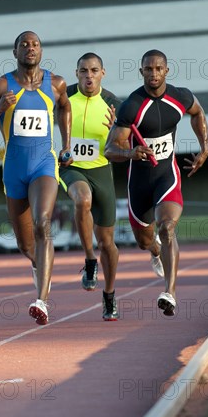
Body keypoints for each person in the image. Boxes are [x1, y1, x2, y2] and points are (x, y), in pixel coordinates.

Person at [0, 31, 72, 325]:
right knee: (26, 244)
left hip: (44, 165)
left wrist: (66, 144)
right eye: (24, 45)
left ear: (42, 50)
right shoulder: (1, 85)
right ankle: (40, 266)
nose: (30, 48)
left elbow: (64, 106)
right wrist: (1, 108)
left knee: (43, 223)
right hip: (13, 171)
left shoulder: (56, 83)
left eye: (35, 44)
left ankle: (42, 300)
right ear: (14, 51)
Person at [105, 49, 208, 316]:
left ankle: (170, 292)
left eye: (158, 69)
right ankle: (155, 251)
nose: (153, 74)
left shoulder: (180, 97)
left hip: (166, 176)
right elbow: (110, 149)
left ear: (167, 70)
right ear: (141, 72)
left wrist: (204, 147)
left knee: (167, 226)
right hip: (139, 182)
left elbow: (198, 113)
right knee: (144, 241)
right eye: (148, 69)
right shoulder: (131, 106)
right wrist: (130, 152)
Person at [58, 52, 124, 321]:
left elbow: (123, 147)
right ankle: (88, 260)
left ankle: (109, 295)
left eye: (94, 71)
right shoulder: (64, 98)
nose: (88, 76)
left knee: (108, 242)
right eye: (83, 71)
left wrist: (115, 134)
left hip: (101, 170)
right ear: (76, 73)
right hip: (71, 167)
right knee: (82, 200)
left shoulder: (113, 104)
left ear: (102, 73)